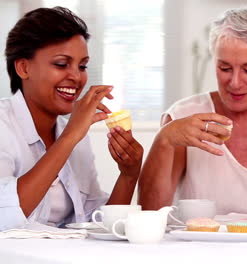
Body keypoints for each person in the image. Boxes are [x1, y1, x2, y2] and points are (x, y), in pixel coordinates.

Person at [139, 6, 247, 214]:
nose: (234, 82)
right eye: (224, 68)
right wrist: (164, 139)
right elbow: (149, 212)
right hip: (195, 246)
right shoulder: (182, 117)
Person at [0, 7, 143, 231]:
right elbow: (5, 216)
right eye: (61, 64)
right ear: (23, 67)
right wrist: (69, 138)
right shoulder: (4, 126)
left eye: (82, 66)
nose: (76, 77)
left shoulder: (74, 134)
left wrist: (129, 174)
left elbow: (98, 224)